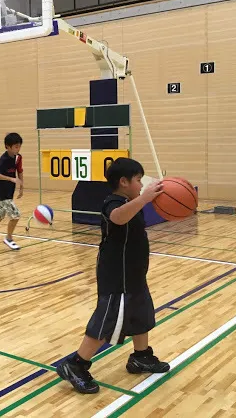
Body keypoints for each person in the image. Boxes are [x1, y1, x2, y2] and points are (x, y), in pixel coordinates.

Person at [56, 157, 170, 394]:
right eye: (138, 179)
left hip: (135, 272)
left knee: (141, 313)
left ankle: (141, 357)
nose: (141, 184)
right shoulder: (113, 203)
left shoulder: (132, 200)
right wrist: (144, 197)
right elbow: (118, 217)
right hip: (117, 274)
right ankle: (75, 364)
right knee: (108, 320)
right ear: (124, 182)